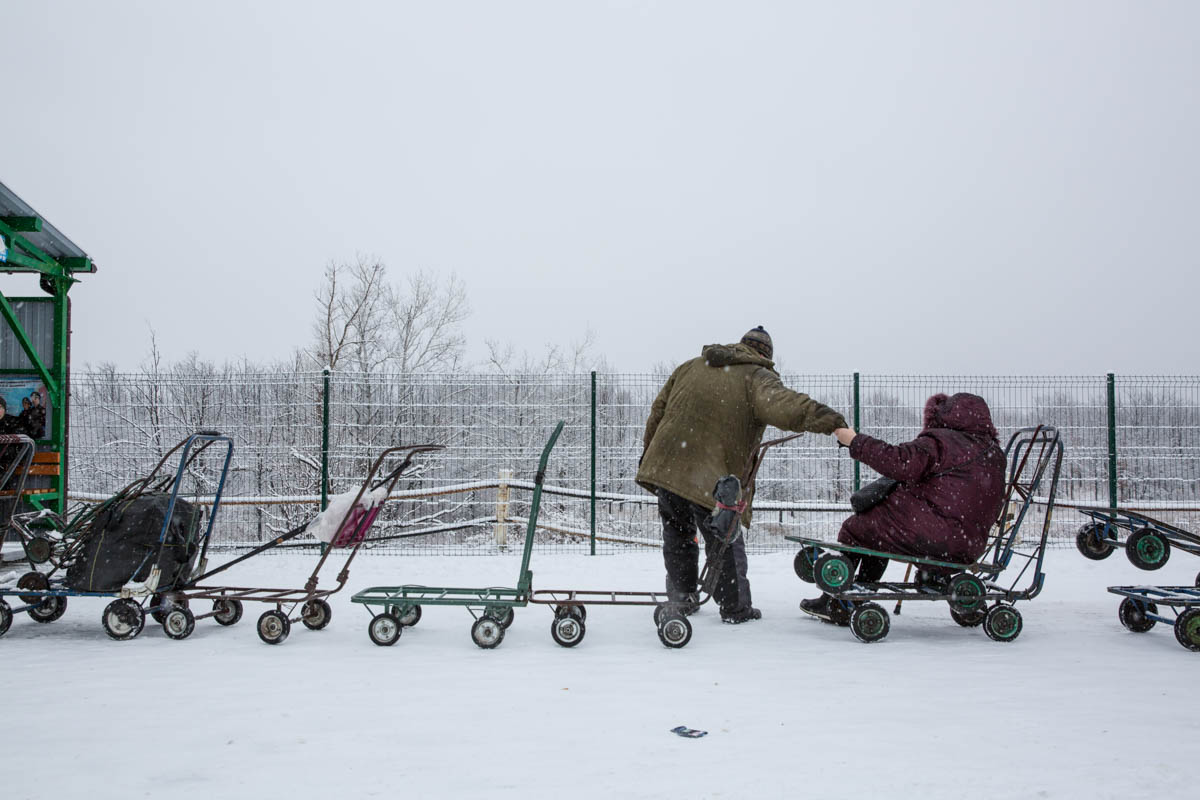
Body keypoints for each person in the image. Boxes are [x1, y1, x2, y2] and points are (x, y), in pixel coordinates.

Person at [637, 326, 849, 624]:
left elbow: (657, 412)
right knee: (725, 535)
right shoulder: (756, 376)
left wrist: (650, 455)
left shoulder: (690, 366)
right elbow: (787, 406)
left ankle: (682, 598)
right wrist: (833, 422)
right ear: (766, 355)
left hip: (668, 464)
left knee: (677, 534)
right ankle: (735, 608)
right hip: (711, 474)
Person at [801, 392, 1007, 623]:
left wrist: (855, 440)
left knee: (858, 529)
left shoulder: (940, 442)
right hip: (967, 545)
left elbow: (898, 461)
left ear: (944, 414)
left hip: (932, 536)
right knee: (879, 529)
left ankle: (840, 602)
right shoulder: (994, 453)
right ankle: (931, 576)